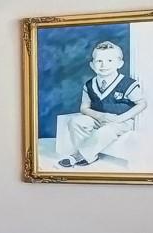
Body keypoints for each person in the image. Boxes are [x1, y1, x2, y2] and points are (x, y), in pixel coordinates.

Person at [55, 40, 144, 168]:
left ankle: (78, 156)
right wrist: (101, 116)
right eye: (99, 61)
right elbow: (84, 108)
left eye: (109, 61)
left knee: (106, 131)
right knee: (76, 122)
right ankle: (90, 156)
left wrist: (119, 119)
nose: (103, 65)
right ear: (92, 65)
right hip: (98, 118)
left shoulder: (127, 83)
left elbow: (141, 103)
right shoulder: (89, 85)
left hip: (121, 121)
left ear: (119, 64)